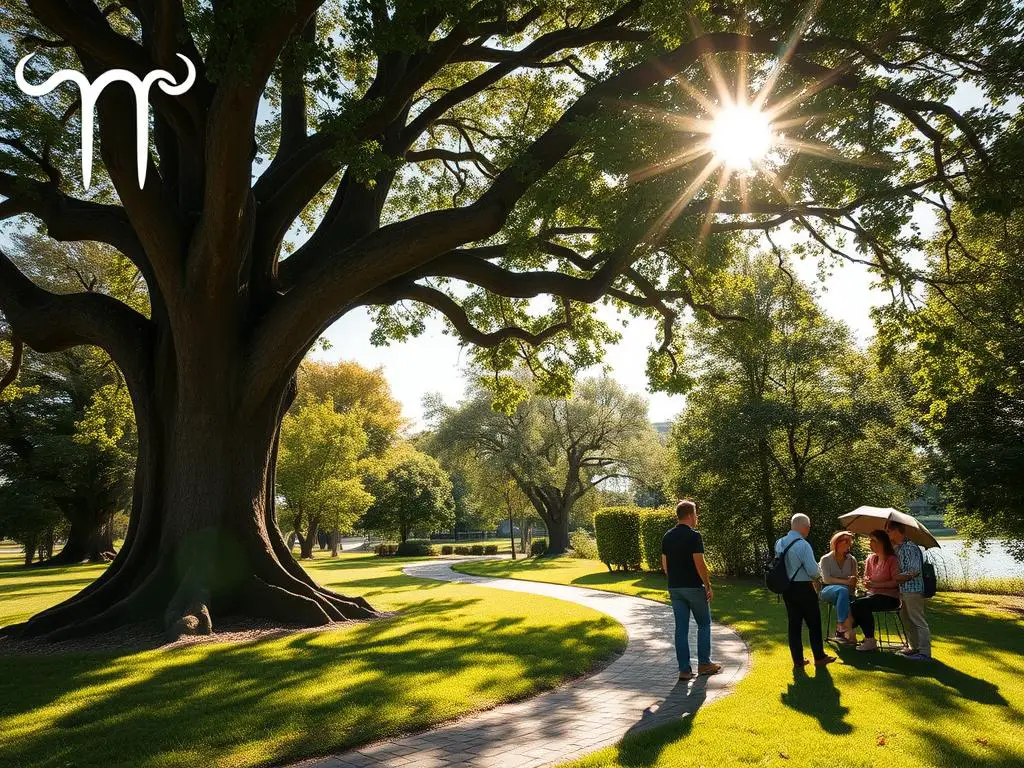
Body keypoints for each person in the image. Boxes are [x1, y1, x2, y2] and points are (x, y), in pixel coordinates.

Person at [662, 499, 721, 681]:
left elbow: (665, 565)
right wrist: (708, 585)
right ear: (689, 515)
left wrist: (675, 579)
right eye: (696, 513)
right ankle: (704, 664)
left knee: (681, 629)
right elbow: (699, 564)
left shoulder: (667, 536)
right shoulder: (694, 536)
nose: (697, 517)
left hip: (675, 587)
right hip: (694, 587)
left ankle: (684, 670)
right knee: (704, 624)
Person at [775, 514, 835, 670]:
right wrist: (820, 571)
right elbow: (812, 571)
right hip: (803, 587)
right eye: (808, 526)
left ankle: (798, 660)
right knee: (814, 622)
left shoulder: (779, 543)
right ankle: (819, 656)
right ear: (804, 527)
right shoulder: (803, 545)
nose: (809, 529)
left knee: (794, 625)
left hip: (787, 588)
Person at [885, 521, 932, 660]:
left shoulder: (910, 547)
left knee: (917, 620)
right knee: (906, 619)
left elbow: (914, 570)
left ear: (896, 531)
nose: (887, 534)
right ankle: (914, 647)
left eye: (888, 531)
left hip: (913, 590)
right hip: (902, 590)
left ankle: (924, 653)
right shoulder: (898, 548)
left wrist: (897, 578)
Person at [849, 530, 901, 651]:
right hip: (872, 595)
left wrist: (877, 584)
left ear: (882, 543)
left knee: (859, 605)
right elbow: (868, 580)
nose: (870, 543)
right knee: (852, 602)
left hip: (890, 598)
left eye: (873, 540)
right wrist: (867, 583)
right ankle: (855, 634)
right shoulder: (870, 559)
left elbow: (896, 582)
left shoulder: (892, 560)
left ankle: (866, 638)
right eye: (870, 540)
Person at [818, 531, 857, 643]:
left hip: (847, 593)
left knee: (846, 597)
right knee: (842, 590)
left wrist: (853, 581)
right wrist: (845, 581)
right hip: (827, 590)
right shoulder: (825, 559)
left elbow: (854, 580)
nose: (846, 545)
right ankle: (841, 624)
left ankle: (845, 633)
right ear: (835, 543)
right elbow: (826, 579)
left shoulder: (852, 560)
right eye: (843, 543)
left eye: (848, 543)